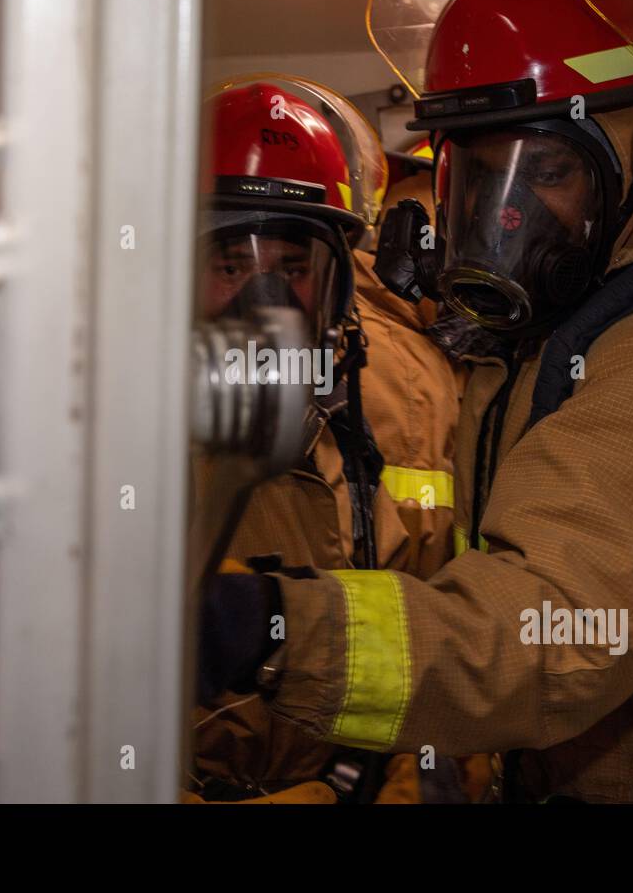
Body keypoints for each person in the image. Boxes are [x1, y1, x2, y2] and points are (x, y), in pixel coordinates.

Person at [198, 0, 633, 804]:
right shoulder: (545, 343)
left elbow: (548, 634)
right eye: (479, 175)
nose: (508, 212)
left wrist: (267, 628)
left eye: (548, 169)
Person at [190, 75, 473, 802]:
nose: (269, 303)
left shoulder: (414, 397)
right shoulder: (109, 426)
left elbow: (455, 626)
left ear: (342, 281)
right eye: (232, 266)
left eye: (293, 267)